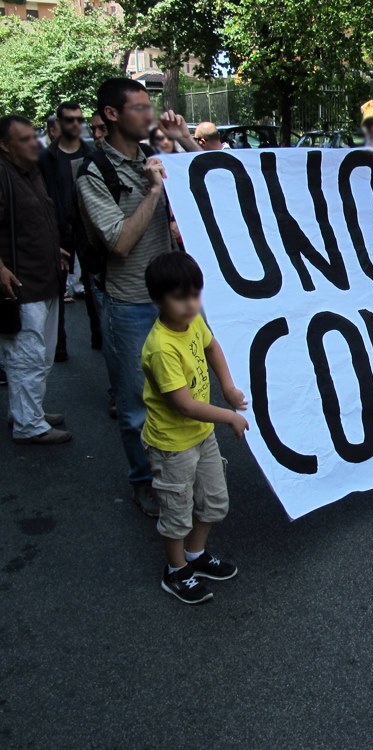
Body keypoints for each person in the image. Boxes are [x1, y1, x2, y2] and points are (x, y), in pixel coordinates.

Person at [77, 78, 200, 517]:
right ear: (112, 115)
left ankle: (186, 470)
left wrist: (184, 139)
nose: (150, 115)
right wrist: (153, 191)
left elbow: (221, 183)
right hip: (129, 302)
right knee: (135, 406)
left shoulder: (155, 155)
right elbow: (120, 244)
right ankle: (145, 481)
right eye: (140, 108)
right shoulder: (94, 173)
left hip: (174, 302)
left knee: (188, 389)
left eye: (151, 107)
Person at [141, 252, 246, 604]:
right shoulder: (161, 348)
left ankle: (195, 556)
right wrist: (229, 414)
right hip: (173, 446)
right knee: (176, 511)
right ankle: (175, 571)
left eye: (195, 295)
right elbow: (184, 405)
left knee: (215, 501)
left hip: (202, 437)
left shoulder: (194, 321)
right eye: (179, 297)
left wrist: (228, 386)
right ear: (158, 300)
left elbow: (212, 346)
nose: (190, 305)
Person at [0, 115, 71, 445]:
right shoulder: (2, 174)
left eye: (34, 137)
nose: (35, 143)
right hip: (21, 283)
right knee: (25, 355)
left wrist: (54, 247)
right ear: (5, 146)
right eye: (25, 139)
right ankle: (28, 425)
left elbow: (34, 219)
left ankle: (29, 412)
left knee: (40, 354)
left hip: (44, 278)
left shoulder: (30, 173)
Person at [39, 102, 103, 360]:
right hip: (57, 228)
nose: (75, 124)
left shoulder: (89, 153)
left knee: (92, 283)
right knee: (58, 287)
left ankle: (99, 335)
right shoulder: (46, 158)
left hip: (85, 227)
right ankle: (59, 345)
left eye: (79, 119)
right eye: (69, 119)